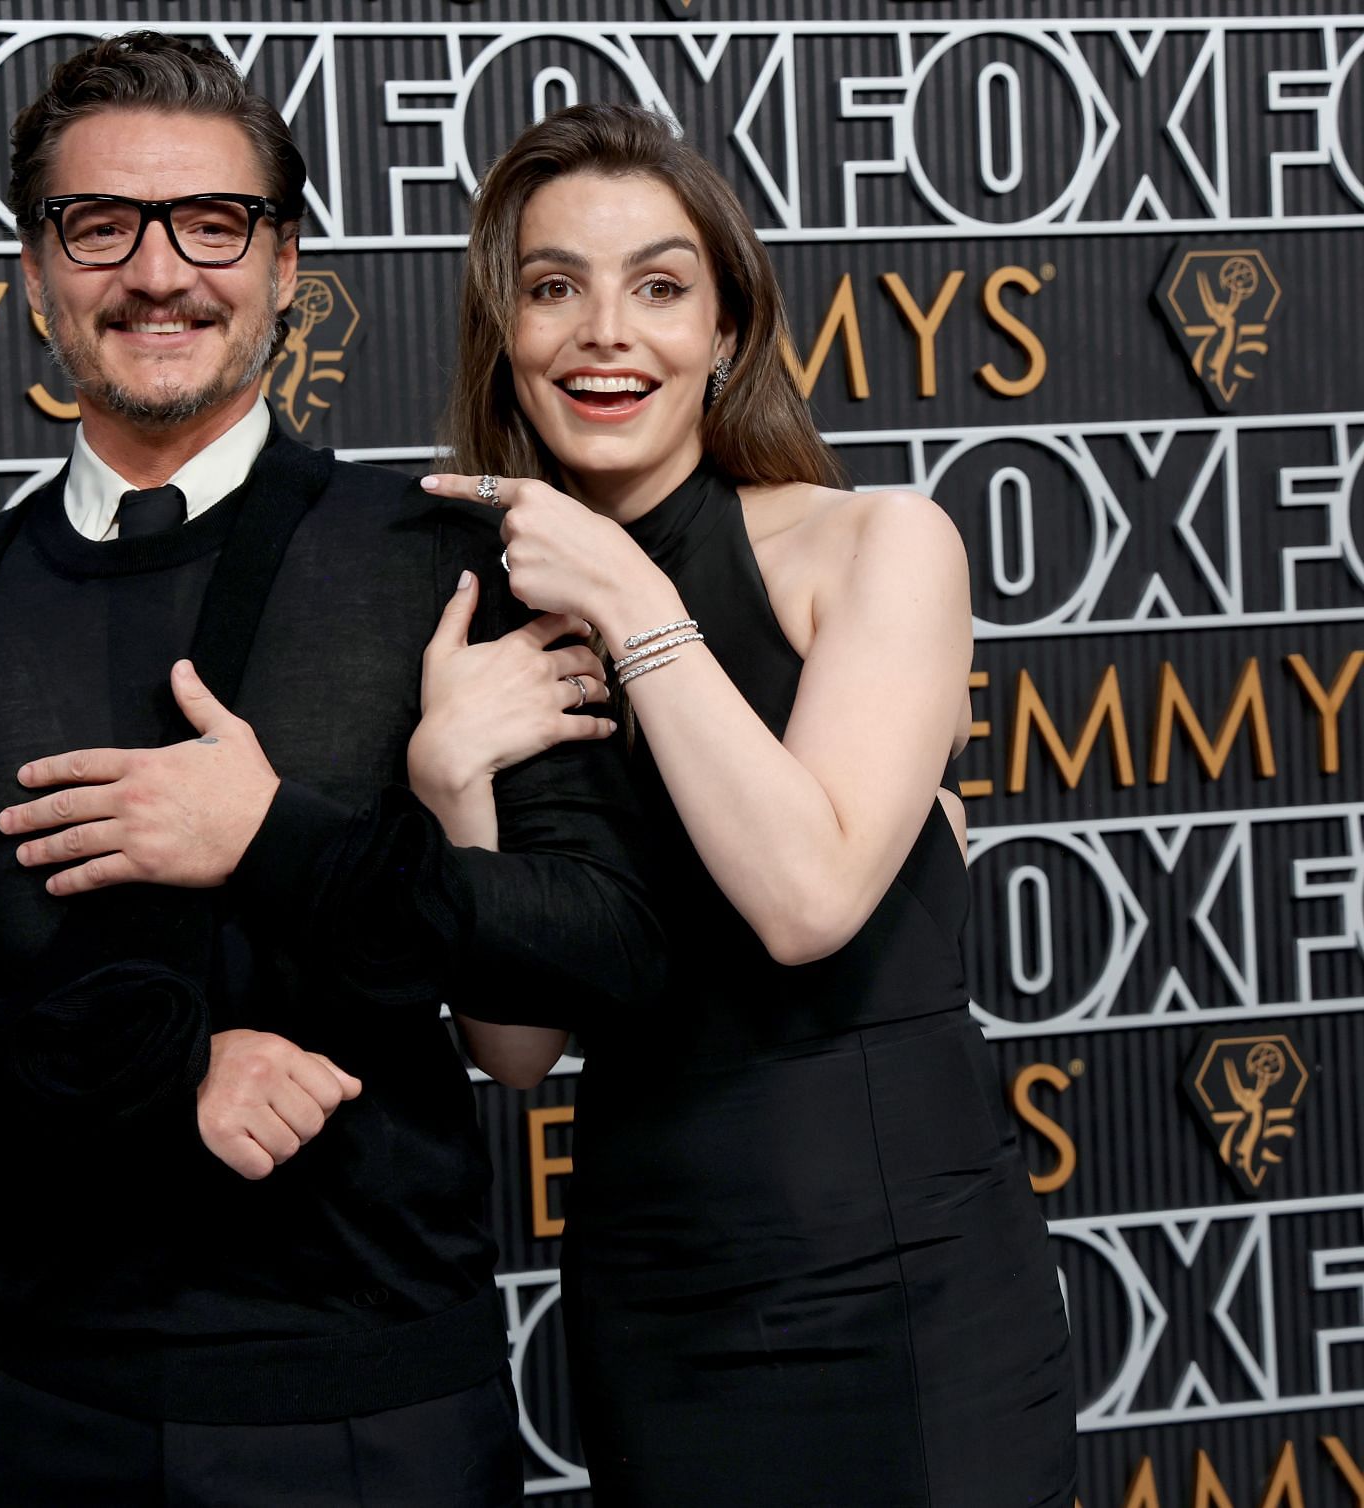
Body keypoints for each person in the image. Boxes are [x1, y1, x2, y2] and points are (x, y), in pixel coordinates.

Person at [0, 37, 663, 1507]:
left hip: (371, 1416)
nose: (158, 272)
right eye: (98, 225)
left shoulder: (441, 560)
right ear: (33, 271)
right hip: (24, 1416)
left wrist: (274, 835)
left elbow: (607, 946)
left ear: (283, 263)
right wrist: (161, 1077)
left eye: (213, 223)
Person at [411, 104, 1077, 1505]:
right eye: (553, 288)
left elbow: (806, 901)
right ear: (506, 338)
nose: (606, 331)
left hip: (910, 1303)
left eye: (659, 287)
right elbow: (519, 1048)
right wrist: (450, 780)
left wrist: (636, 603)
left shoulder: (879, 543)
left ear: (725, 334)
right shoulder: (490, 616)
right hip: (657, 1308)